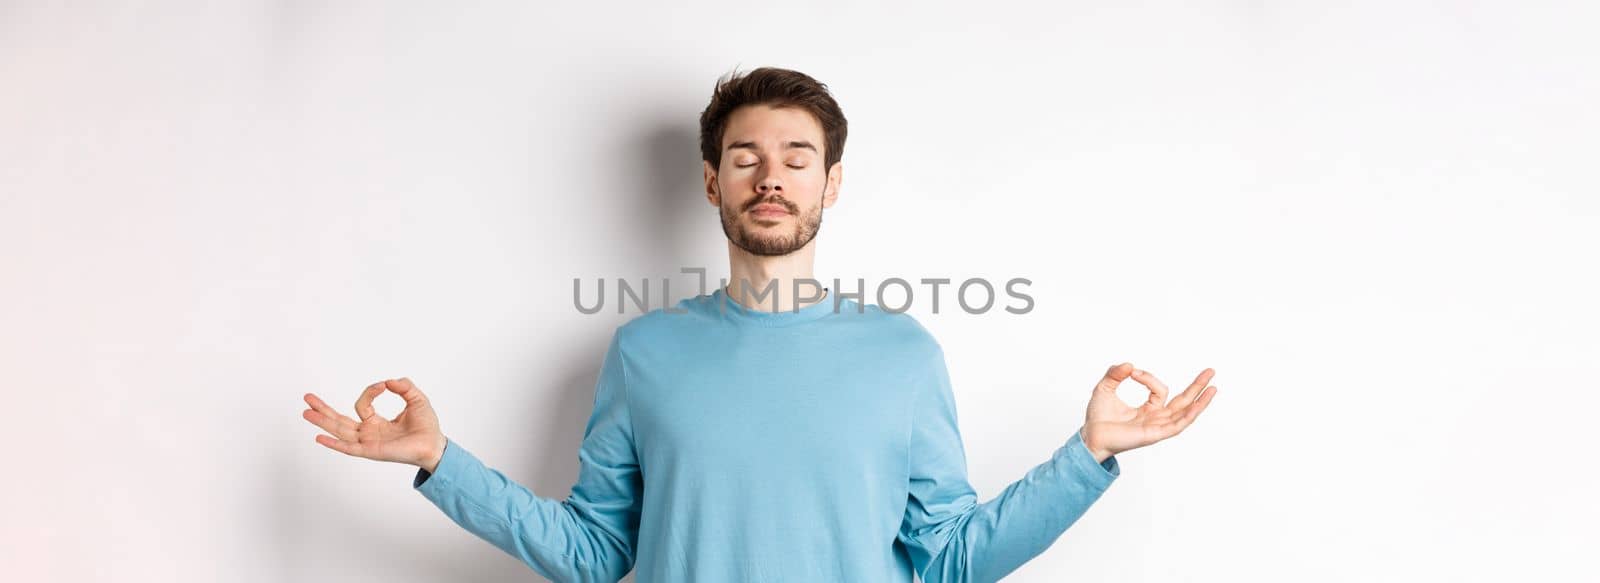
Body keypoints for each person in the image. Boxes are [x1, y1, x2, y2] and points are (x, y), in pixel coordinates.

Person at [300, 66, 1219, 583]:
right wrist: (437, 460)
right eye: (746, 158)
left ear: (831, 183)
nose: (770, 177)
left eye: (796, 158)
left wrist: (1089, 456)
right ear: (712, 182)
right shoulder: (644, 351)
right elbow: (591, 552)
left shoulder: (903, 354)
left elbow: (946, 559)